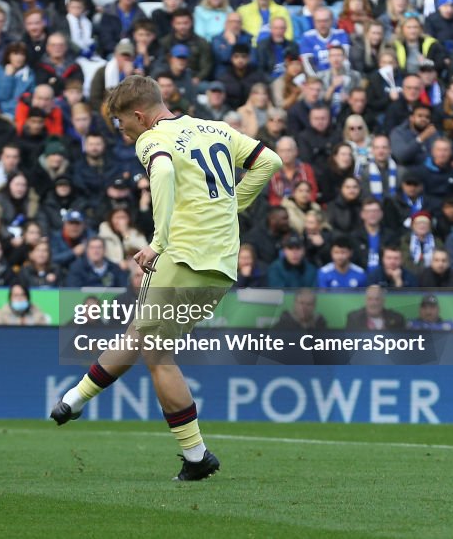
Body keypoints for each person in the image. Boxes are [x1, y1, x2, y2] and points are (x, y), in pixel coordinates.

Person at [50, 75, 282, 481]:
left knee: (156, 353)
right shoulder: (216, 128)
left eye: (122, 124)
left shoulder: (152, 139)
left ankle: (196, 456)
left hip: (183, 256)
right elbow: (270, 162)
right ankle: (74, 399)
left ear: (139, 115)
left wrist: (158, 241)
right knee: (142, 335)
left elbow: (161, 172)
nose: (123, 133)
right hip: (221, 265)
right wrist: (233, 207)